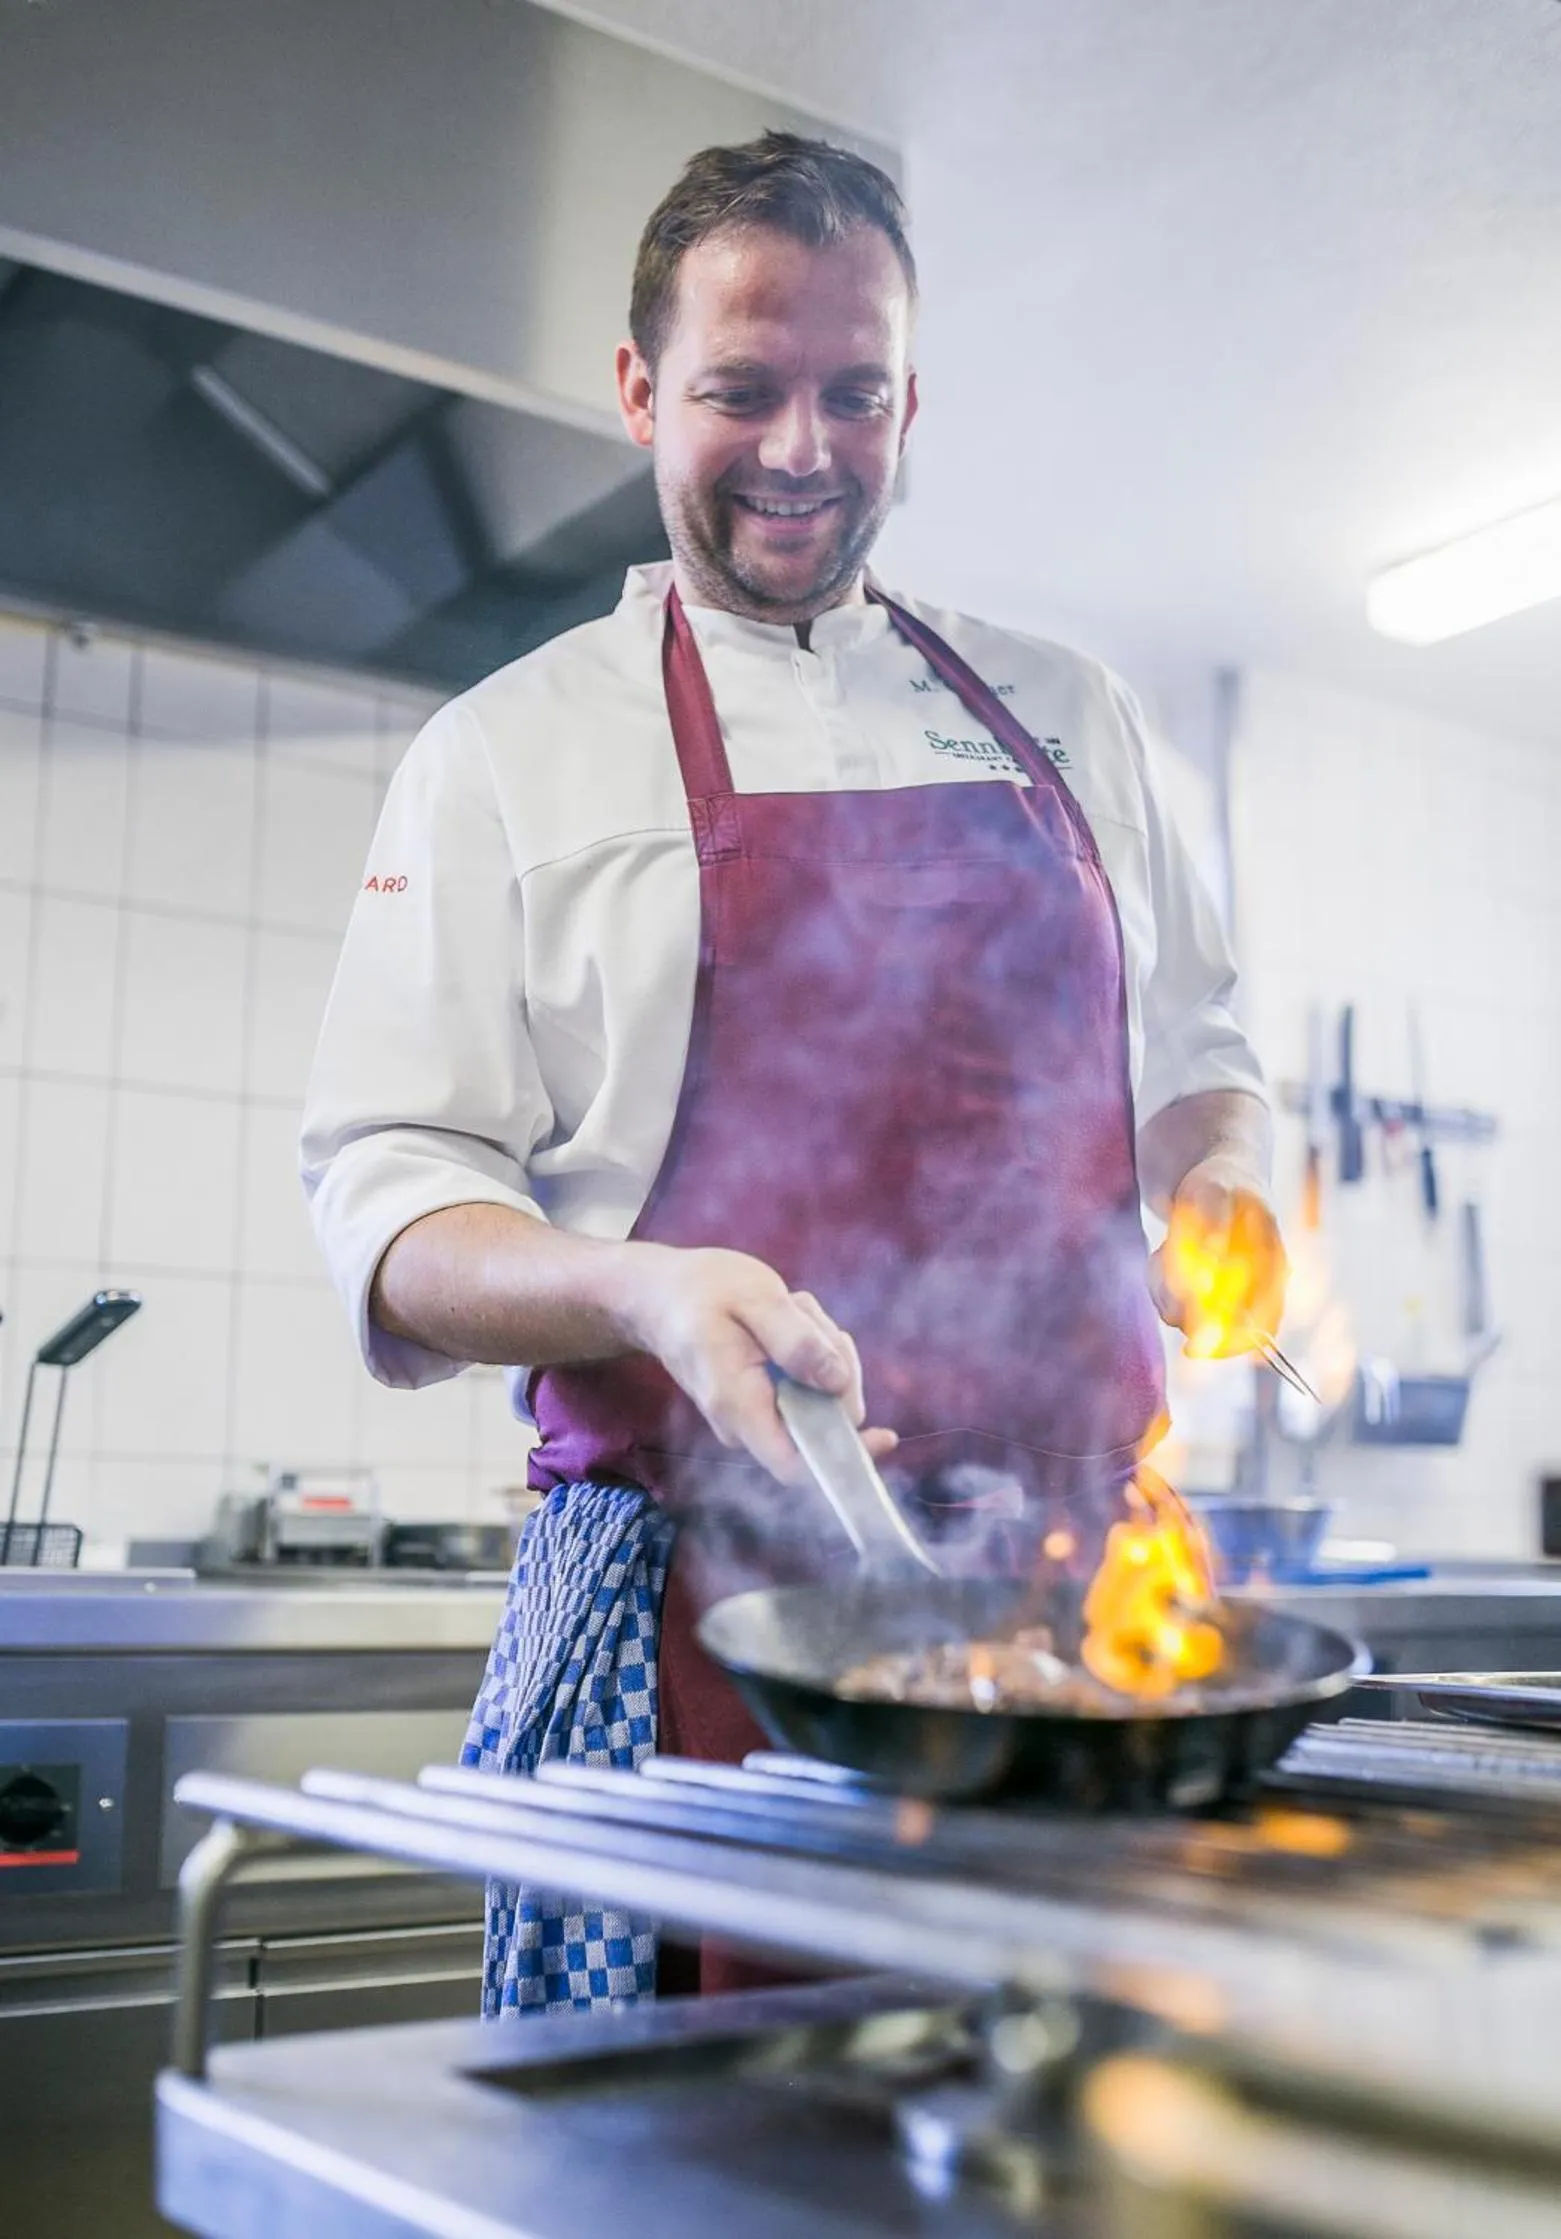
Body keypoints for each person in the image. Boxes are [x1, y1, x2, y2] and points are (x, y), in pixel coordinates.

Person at [302, 132, 1284, 2014]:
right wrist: (637, 1290)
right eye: (741, 390)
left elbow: (1202, 1060)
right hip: (708, 1629)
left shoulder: (1073, 715)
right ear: (638, 390)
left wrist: (1220, 1176)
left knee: (1096, 2140)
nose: (805, 449)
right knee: (719, 2158)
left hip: (1091, 1628)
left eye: (856, 393)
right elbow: (391, 1205)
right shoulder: (507, 753)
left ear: (913, 398)